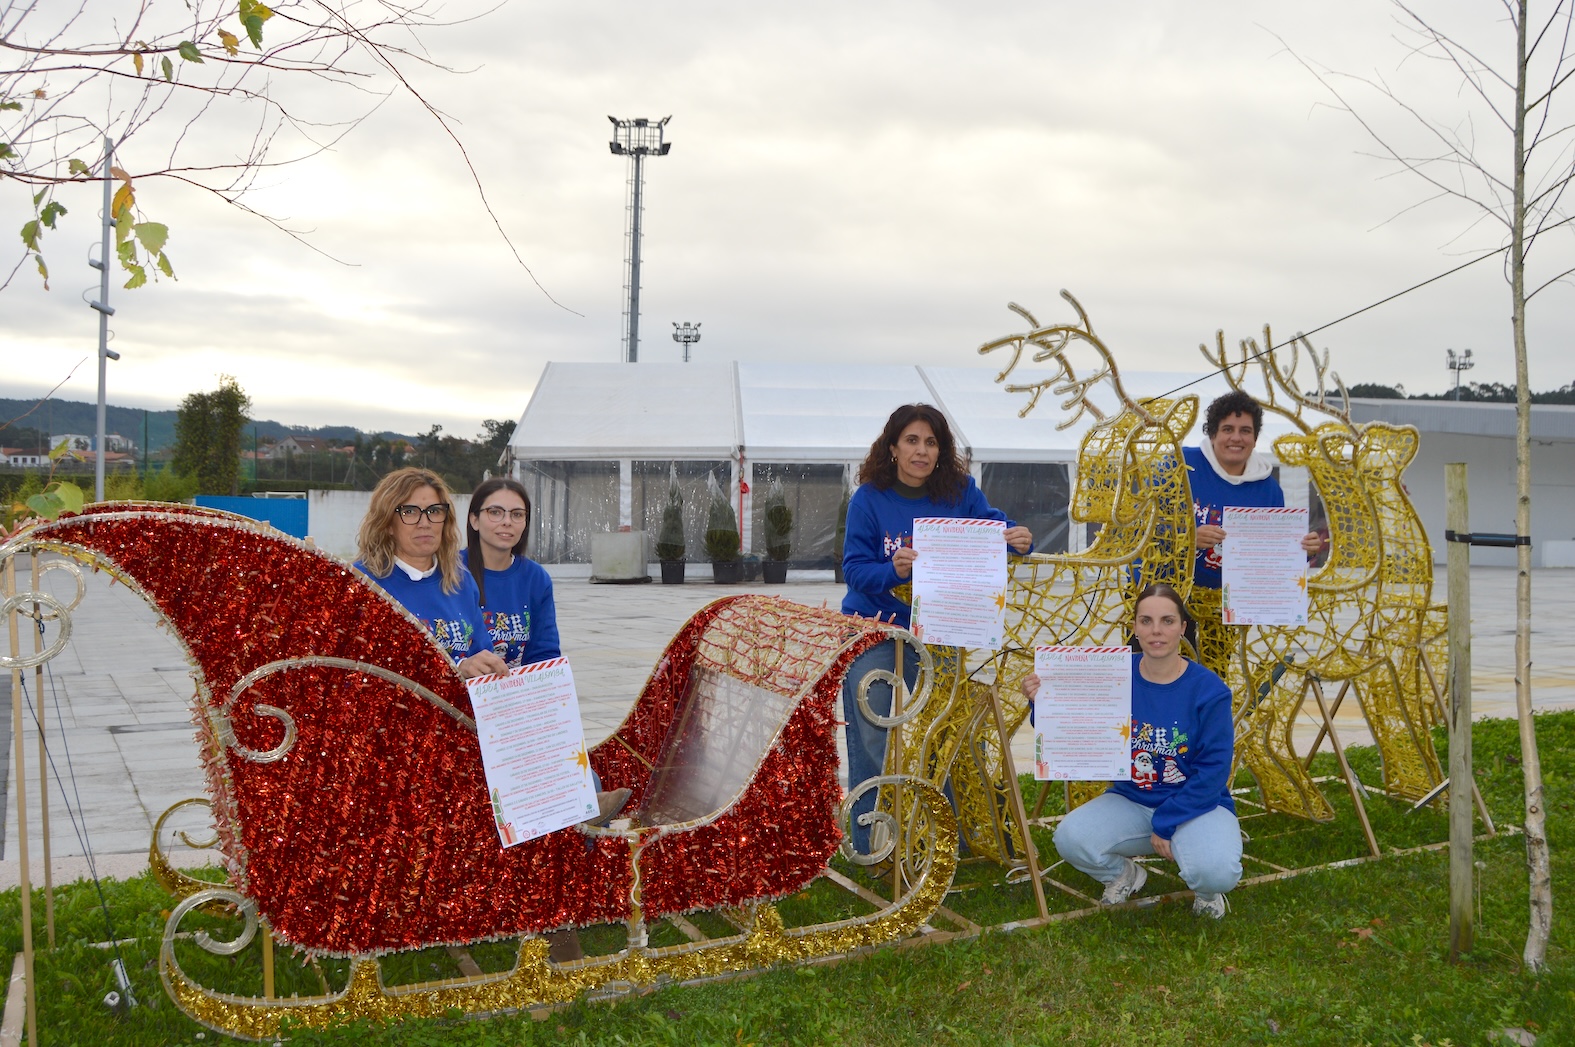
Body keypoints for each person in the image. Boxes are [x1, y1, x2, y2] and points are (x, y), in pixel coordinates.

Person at [839, 403, 1033, 856]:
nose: (921, 451)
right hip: (876, 628)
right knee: (872, 733)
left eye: (931, 442)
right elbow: (854, 570)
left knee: (948, 733)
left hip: (940, 629)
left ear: (941, 450)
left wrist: (1017, 538)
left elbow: (993, 528)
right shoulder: (869, 498)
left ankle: (947, 840)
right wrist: (892, 570)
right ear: (893, 447)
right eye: (912, 440)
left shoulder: (959, 492)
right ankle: (869, 843)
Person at [1029, 582, 1241, 919]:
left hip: (1196, 805)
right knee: (1070, 838)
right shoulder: (1113, 674)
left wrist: (1167, 823)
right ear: (1135, 627)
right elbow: (1072, 727)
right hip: (1133, 799)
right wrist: (1041, 700)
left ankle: (1207, 891)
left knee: (1216, 870)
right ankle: (1122, 874)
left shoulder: (1208, 690)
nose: (1156, 630)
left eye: (1167, 621)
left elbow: (1213, 772)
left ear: (1183, 627)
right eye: (1146, 621)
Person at [1187, 390, 1322, 674]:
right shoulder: (1182, 465)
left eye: (1245, 431)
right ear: (1213, 434)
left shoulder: (1268, 490)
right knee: (1158, 677)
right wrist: (1187, 539)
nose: (1236, 438)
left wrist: (1302, 552)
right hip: (1167, 596)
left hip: (1222, 604)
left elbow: (1271, 559)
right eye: (1228, 429)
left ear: (1255, 438)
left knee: (1213, 679)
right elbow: (1142, 524)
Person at [354, 467, 507, 681]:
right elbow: (363, 673)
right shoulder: (362, 585)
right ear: (388, 523)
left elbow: (482, 657)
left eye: (434, 511)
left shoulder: (461, 581)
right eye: (409, 512)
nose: (424, 523)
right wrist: (455, 669)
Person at [462, 477, 561, 669]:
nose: (507, 522)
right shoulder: (449, 572)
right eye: (495, 512)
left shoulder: (536, 578)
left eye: (517, 514)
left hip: (518, 686)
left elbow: (545, 654)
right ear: (474, 520)